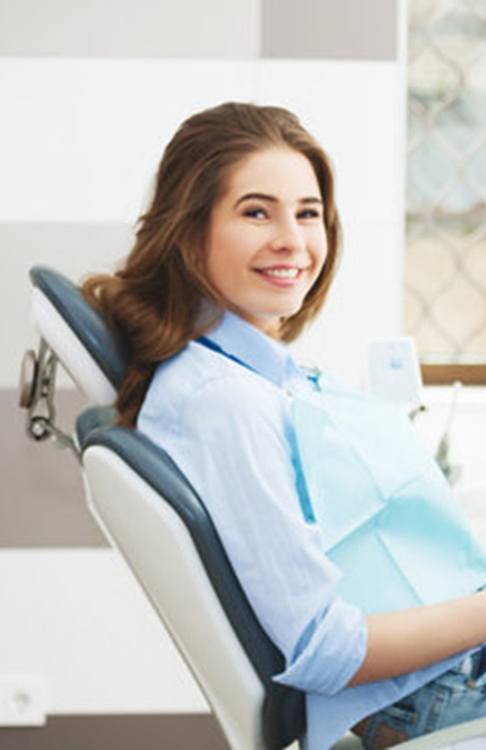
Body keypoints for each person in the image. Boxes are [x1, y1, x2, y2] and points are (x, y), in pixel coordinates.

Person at [82, 101, 486, 750]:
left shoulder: (256, 375)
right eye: (255, 212)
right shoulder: (222, 402)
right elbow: (325, 649)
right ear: (189, 237)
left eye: (307, 213)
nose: (293, 241)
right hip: (431, 699)